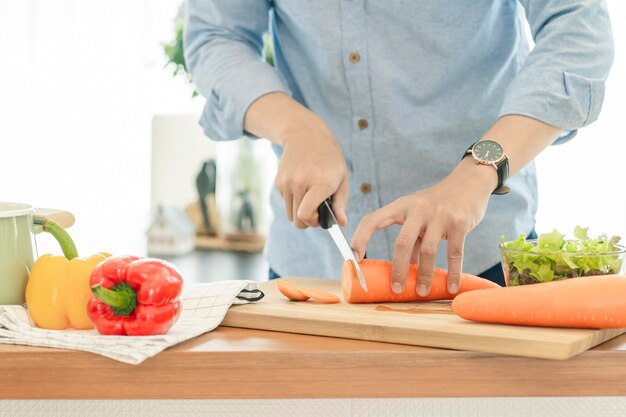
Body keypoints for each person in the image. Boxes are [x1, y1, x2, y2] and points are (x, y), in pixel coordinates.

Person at [184, 1, 614, 294]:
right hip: (312, 271)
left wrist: (477, 174)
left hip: (479, 265)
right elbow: (215, 35)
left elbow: (577, 29)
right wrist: (293, 126)